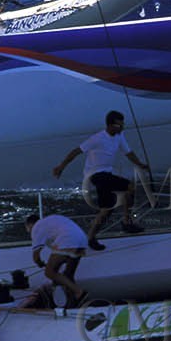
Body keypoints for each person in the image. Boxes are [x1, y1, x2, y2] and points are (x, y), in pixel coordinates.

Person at [52, 109, 149, 247]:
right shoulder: (97, 138)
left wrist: (140, 164)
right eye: (118, 125)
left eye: (122, 125)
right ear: (109, 125)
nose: (121, 128)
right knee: (126, 190)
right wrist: (61, 166)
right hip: (95, 175)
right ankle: (125, 223)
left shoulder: (119, 136)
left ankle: (93, 236)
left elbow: (128, 152)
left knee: (107, 209)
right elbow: (76, 151)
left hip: (106, 174)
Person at [26, 213, 88, 308]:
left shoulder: (36, 228)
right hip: (82, 239)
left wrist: (40, 263)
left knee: (49, 272)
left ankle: (79, 292)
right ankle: (74, 302)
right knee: (68, 275)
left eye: (27, 229)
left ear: (29, 225)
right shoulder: (48, 223)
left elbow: (36, 256)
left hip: (68, 240)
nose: (28, 231)